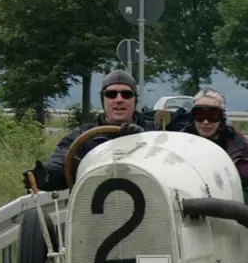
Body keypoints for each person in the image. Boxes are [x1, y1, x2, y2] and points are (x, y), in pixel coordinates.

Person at [22, 70, 155, 192]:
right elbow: (62, 161)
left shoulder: (155, 131)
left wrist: (142, 139)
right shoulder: (83, 136)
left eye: (126, 94)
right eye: (111, 94)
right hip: (93, 206)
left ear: (135, 100)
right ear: (103, 100)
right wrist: (46, 175)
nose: (119, 99)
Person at [182, 87, 248, 207]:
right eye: (200, 115)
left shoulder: (239, 146)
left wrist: (238, 204)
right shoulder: (179, 142)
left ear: (221, 118)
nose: (205, 122)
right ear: (192, 117)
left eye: (212, 116)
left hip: (228, 210)